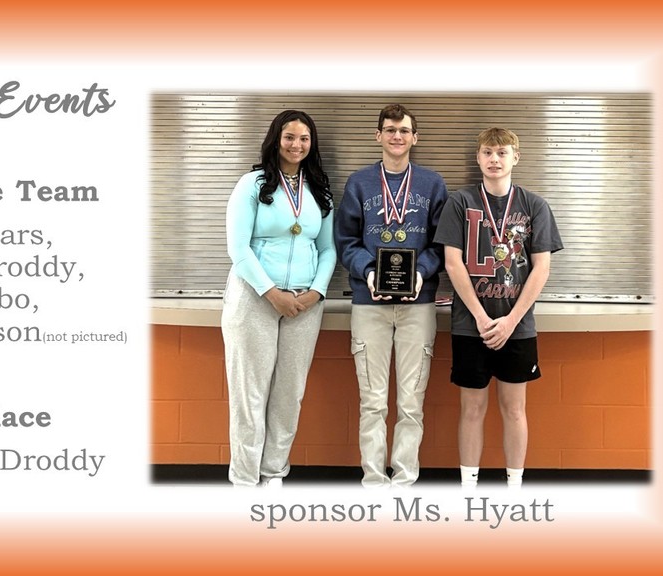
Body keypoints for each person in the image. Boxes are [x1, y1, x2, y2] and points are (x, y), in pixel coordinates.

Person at [435, 127, 564, 488]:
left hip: (517, 327)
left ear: (515, 158)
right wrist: (480, 316)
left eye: (502, 153)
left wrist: (510, 320)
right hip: (468, 325)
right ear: (478, 158)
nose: (495, 159)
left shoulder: (534, 205)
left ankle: (514, 488)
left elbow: (542, 267)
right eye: (488, 153)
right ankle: (469, 489)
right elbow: (452, 263)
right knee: (471, 409)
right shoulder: (460, 202)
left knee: (514, 409)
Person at [222, 110, 337, 487]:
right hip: (254, 299)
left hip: (304, 304)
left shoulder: (319, 189)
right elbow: (238, 249)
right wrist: (271, 293)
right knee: (249, 394)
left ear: (311, 144)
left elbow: (328, 250)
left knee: (290, 395)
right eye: (289, 137)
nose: (296, 145)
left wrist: (316, 291)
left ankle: (273, 474)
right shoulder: (252, 184)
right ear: (276, 139)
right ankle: (244, 480)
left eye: (304, 138)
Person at [335, 104, 448, 487]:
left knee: (411, 403)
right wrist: (368, 271)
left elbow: (442, 245)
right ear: (377, 136)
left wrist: (419, 272)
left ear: (415, 137)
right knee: (372, 401)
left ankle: (403, 482)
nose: (396, 136)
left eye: (404, 130)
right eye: (389, 129)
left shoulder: (433, 185)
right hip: (370, 306)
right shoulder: (359, 183)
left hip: (418, 304)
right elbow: (346, 242)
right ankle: (372, 482)